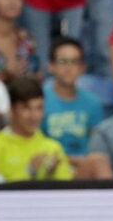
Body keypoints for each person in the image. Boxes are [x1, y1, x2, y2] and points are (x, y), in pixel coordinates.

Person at [0, 76, 74, 181]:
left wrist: (51, 175)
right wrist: (30, 171)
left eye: (39, 108)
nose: (34, 116)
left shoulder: (53, 147)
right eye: (26, 108)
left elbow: (66, 187)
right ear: (11, 110)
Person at [41, 36, 106, 177]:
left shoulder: (93, 103)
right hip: (49, 166)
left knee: (99, 161)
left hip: (83, 168)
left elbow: (96, 145)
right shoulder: (40, 100)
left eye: (74, 62)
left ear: (83, 67)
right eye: (63, 61)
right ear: (51, 66)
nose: (68, 68)